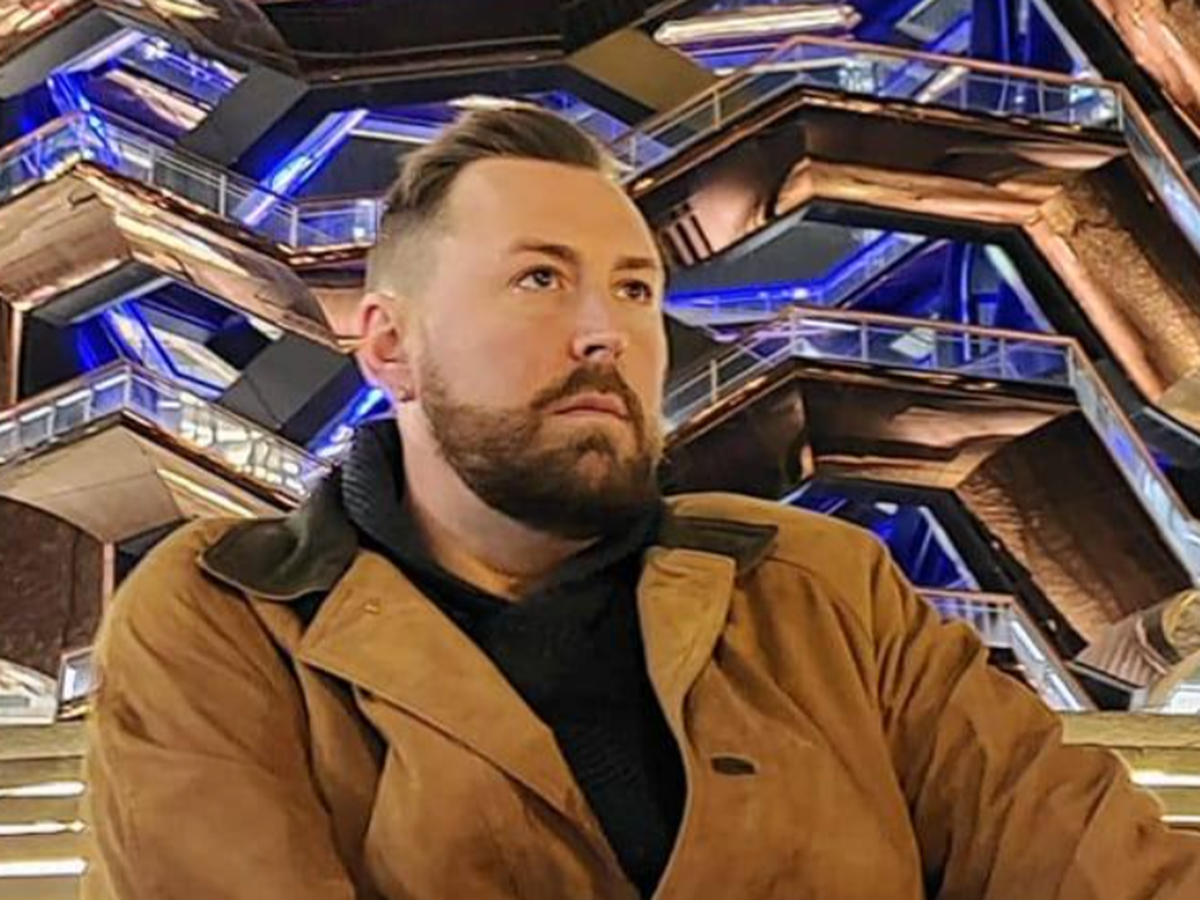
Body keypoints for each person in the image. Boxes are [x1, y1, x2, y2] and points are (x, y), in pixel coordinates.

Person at [83, 106, 1200, 900]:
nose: (605, 334)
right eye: (539, 278)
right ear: (388, 346)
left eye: (635, 288)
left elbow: (1092, 861)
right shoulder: (226, 617)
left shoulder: (825, 590)